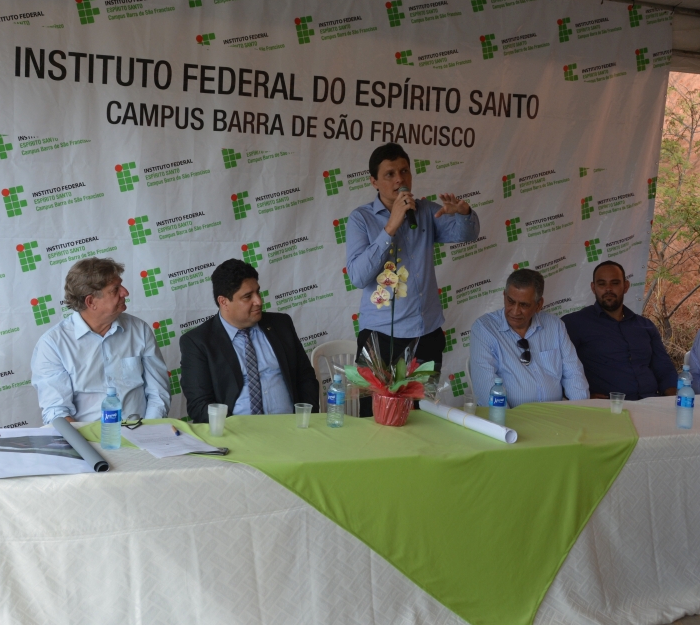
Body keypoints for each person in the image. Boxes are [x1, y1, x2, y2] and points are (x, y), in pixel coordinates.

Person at [346, 142, 480, 415]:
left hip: (426, 335)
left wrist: (464, 214)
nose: (400, 179)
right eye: (390, 174)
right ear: (374, 181)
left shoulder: (426, 211)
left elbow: (467, 235)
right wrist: (391, 226)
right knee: (376, 418)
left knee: (422, 416)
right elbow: (358, 276)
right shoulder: (361, 219)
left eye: (404, 171)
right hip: (381, 339)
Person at [31, 258, 170, 425]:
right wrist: (85, 440)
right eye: (115, 289)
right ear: (91, 302)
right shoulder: (53, 344)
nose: (125, 292)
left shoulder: (139, 329)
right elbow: (56, 412)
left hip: (141, 432)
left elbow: (158, 393)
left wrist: (148, 433)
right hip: (85, 437)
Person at [179, 259, 319, 424]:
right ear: (224, 302)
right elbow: (199, 405)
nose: (258, 301)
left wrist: (305, 420)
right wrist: (235, 429)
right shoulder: (198, 342)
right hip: (235, 432)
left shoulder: (281, 325)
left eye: (258, 292)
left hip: (290, 428)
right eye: (247, 297)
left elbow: (305, 377)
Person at [469, 269, 588, 408]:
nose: (515, 311)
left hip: (553, 413)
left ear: (539, 305)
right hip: (511, 415)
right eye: (510, 301)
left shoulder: (555, 325)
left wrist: (581, 410)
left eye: (524, 305)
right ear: (504, 295)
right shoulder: (484, 328)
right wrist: (506, 420)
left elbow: (574, 373)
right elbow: (486, 387)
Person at [562, 260, 678, 400]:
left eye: (615, 283)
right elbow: (555, 370)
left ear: (626, 286)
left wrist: (673, 401)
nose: (608, 289)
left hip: (651, 402)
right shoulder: (575, 323)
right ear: (593, 288)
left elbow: (664, 368)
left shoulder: (645, 325)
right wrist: (584, 398)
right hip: (607, 407)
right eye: (602, 284)